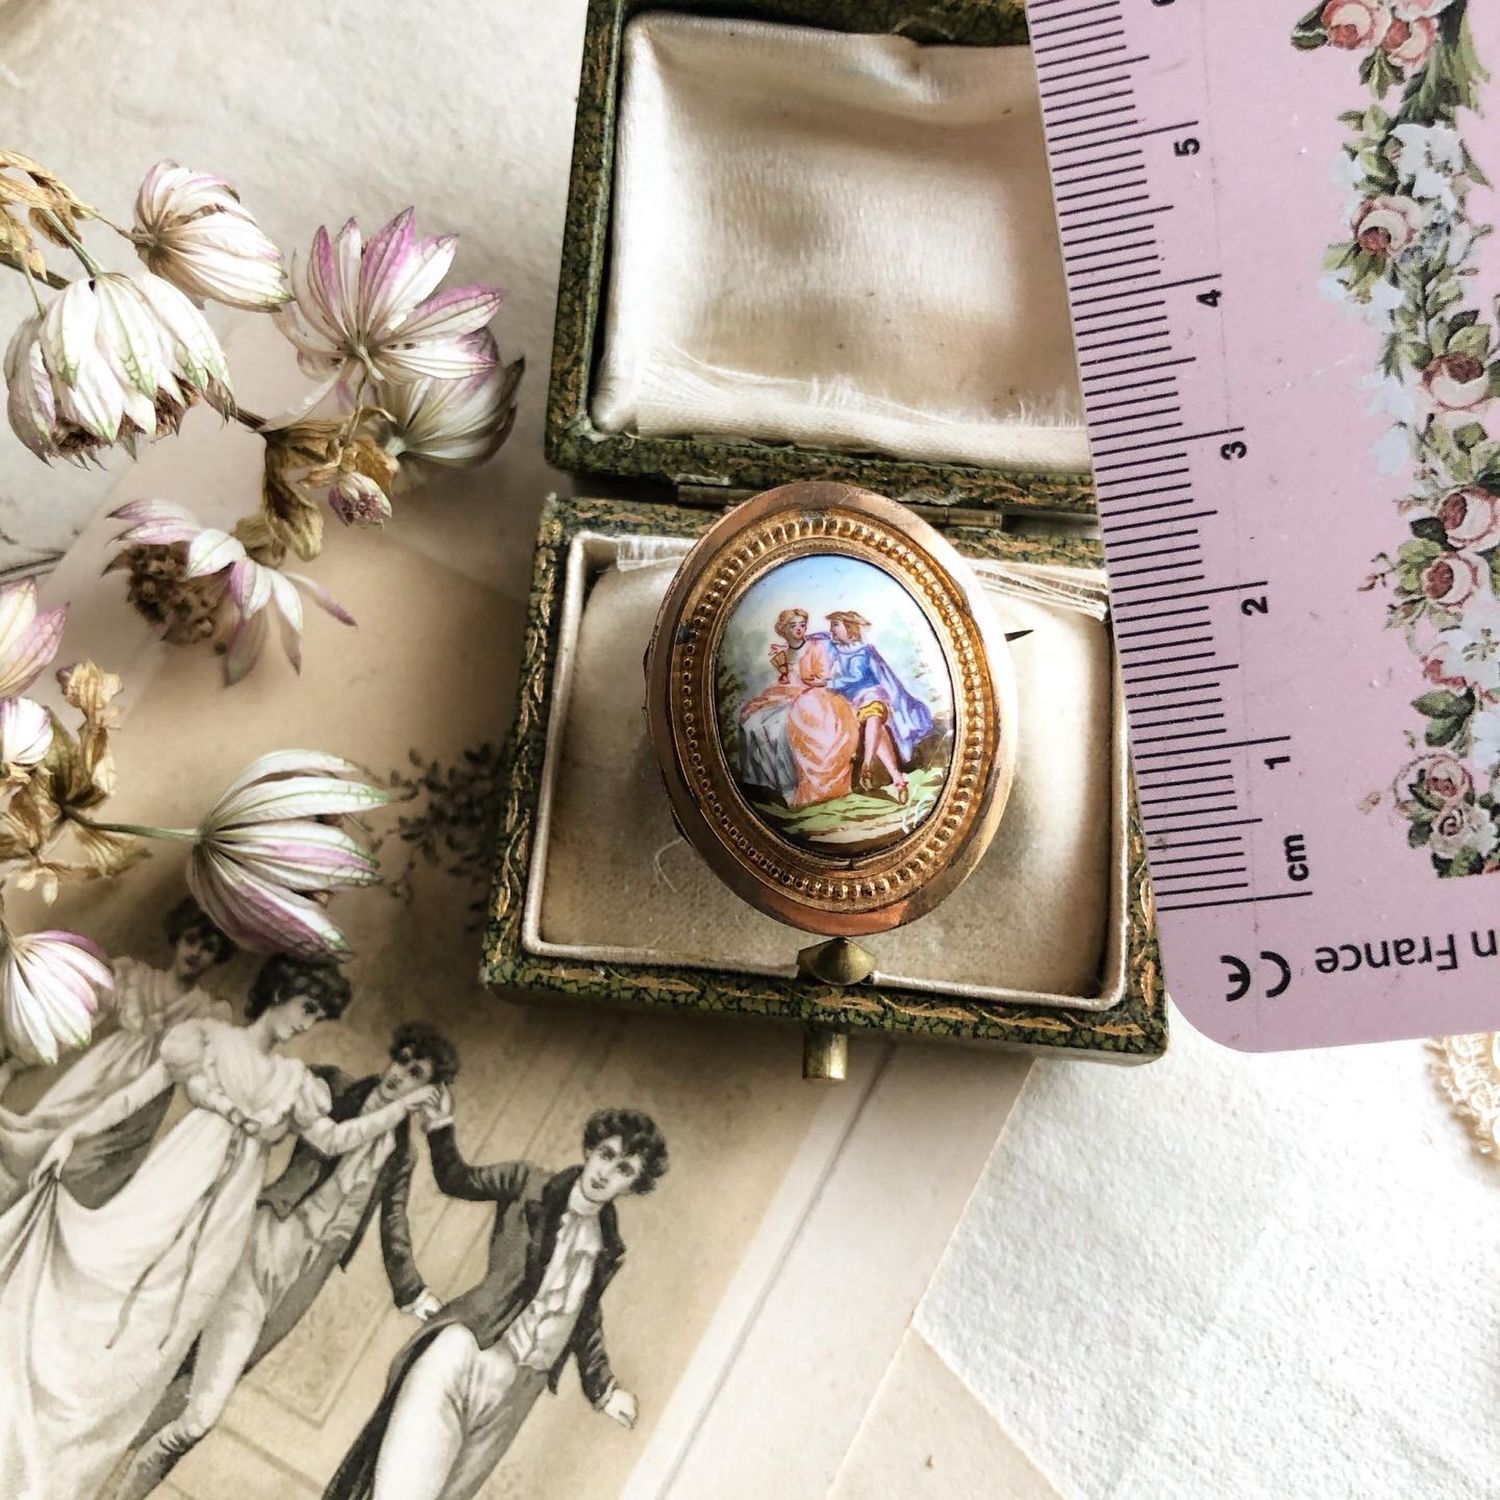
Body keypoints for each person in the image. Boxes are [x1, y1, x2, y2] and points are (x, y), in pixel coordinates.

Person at [0, 956, 440, 1500]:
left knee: (157, 1331)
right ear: (280, 992)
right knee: (108, 1276)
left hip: (224, 1223)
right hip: (173, 1182)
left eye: (317, 1016)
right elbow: (135, 1094)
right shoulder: (206, 1040)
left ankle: (82, 1448)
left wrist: (400, 1111)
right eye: (306, 1007)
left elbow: (332, 1140)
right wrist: (72, 1134)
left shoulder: (294, 1081)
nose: (307, 1023)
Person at [114, 1021, 463, 1500]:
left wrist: (412, 1292)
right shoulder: (333, 1089)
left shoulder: (401, 1153)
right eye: (401, 1061)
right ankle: (107, 1459)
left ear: (428, 1090)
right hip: (263, 1239)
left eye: (415, 1073)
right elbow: (318, 1132)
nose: (399, 1075)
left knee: (217, 1383)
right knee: (184, 1363)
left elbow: (394, 1223)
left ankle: (123, 1480)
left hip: (303, 1274)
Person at [323, 1105, 670, 1500]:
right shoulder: (526, 1183)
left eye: (624, 1169)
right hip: (466, 1354)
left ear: (633, 1185)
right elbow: (456, 1179)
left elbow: (584, 1315)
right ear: (590, 1149)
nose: (606, 1173)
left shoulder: (606, 1247)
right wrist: (440, 1125)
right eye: (606, 1155)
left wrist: (603, 1389)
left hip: (515, 1395)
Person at [0, 895, 235, 1211]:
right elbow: (86, 1022)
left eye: (208, 948)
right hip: (98, 1074)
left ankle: (36, 1216)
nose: (195, 953)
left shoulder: (208, 1012)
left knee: (81, 1166)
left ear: (217, 957)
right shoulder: (134, 977)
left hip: (142, 1099)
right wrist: (30, 1054)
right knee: (44, 1134)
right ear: (177, 938)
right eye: (191, 940)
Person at [826, 611, 936, 804]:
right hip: (852, 701)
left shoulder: (864, 650)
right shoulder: (834, 650)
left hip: (872, 693)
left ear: (849, 628)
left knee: (874, 712)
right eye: (831, 625)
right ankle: (897, 778)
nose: (831, 629)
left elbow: (856, 676)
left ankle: (867, 764)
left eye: (836, 624)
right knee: (879, 730)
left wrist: (831, 683)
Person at [736, 607, 811, 801]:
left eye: (802, 625)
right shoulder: (782, 654)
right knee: (750, 724)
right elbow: (784, 681)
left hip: (807, 696)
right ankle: (761, 782)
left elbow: (821, 677)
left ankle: (787, 787)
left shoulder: (813, 649)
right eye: (793, 626)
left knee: (777, 730)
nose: (799, 629)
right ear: (783, 630)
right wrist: (785, 678)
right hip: (783, 695)